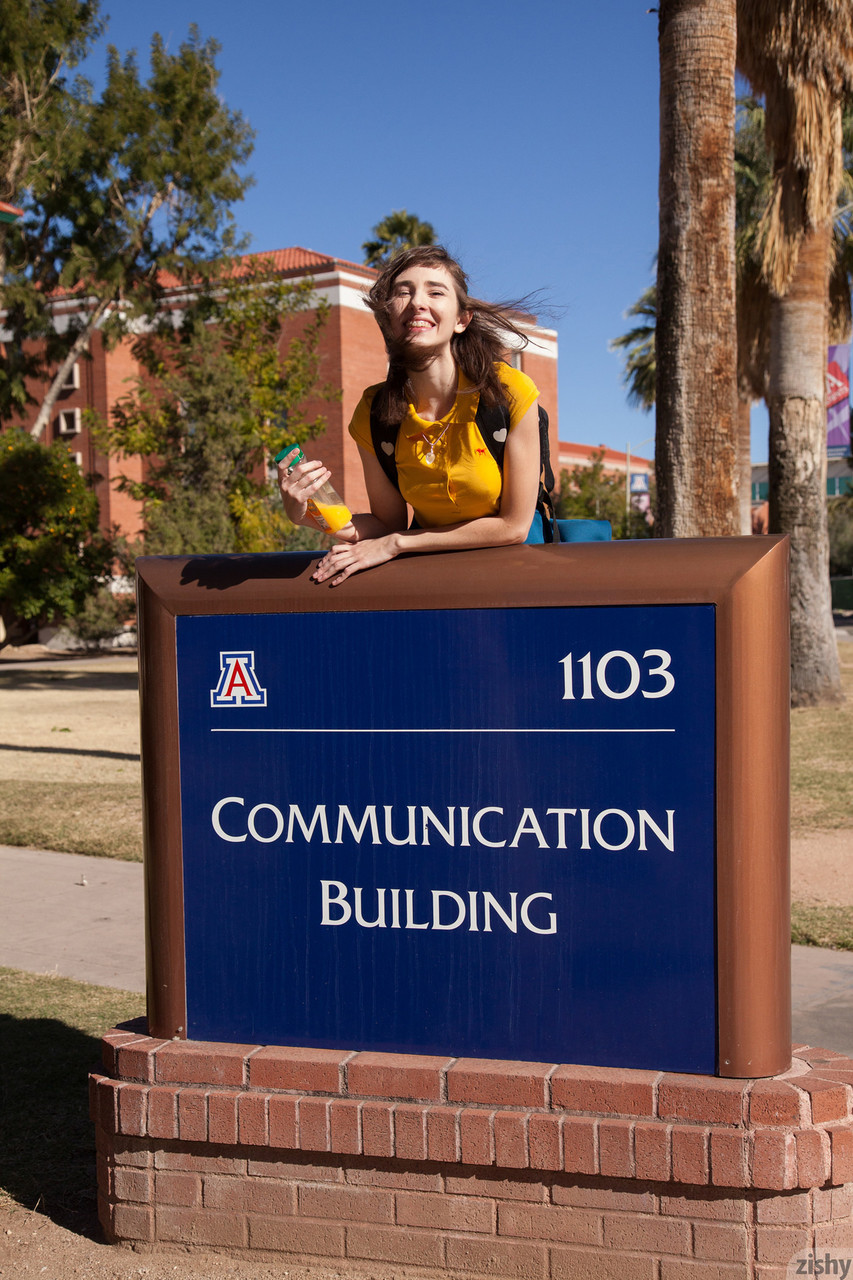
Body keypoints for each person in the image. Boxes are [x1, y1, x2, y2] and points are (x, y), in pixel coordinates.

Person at [277, 245, 542, 586]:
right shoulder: (374, 413)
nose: (418, 302)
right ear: (389, 319)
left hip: (515, 584)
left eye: (435, 291)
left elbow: (514, 527)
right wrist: (304, 513)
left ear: (462, 319)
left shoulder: (508, 390)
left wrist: (398, 544)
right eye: (404, 292)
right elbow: (387, 523)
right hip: (433, 586)